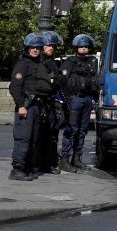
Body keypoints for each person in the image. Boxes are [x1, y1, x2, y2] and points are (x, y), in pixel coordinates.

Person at [9, 33, 55, 180]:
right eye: (32, 48)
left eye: (38, 48)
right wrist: (21, 105)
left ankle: (28, 167)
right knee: (23, 138)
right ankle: (17, 169)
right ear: (27, 49)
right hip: (27, 106)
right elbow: (15, 87)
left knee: (35, 139)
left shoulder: (39, 64)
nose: (35, 50)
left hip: (38, 106)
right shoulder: (22, 64)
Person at [59, 34, 98, 172]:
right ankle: (65, 159)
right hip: (74, 98)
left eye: (86, 46)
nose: (83, 49)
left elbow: (95, 81)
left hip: (87, 99)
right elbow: (63, 82)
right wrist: (67, 99)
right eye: (81, 46)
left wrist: (95, 99)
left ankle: (77, 159)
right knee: (72, 129)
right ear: (76, 47)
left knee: (82, 130)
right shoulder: (69, 62)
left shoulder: (92, 62)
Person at [38, 30, 64, 175]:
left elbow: (59, 81)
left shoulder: (54, 63)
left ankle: (49, 163)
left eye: (53, 45)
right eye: (48, 45)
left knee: (52, 135)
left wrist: (53, 80)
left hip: (51, 102)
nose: (51, 48)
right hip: (39, 102)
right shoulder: (37, 62)